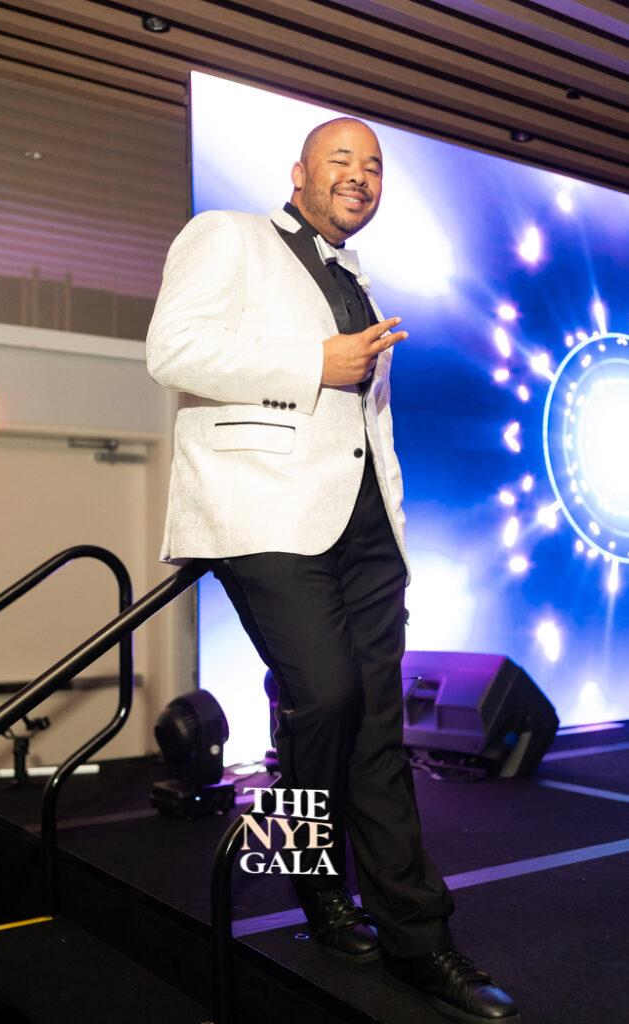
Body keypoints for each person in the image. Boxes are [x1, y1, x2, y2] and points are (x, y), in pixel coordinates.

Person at [146, 116, 519, 1024]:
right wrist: (311, 362)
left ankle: (416, 941)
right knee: (326, 697)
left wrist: (393, 527)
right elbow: (172, 351)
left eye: (374, 166)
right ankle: (308, 877)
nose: (360, 175)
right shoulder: (228, 235)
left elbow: (362, 429)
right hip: (260, 515)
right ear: (299, 173)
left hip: (364, 534)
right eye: (341, 160)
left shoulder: (358, 279)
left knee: (375, 731)